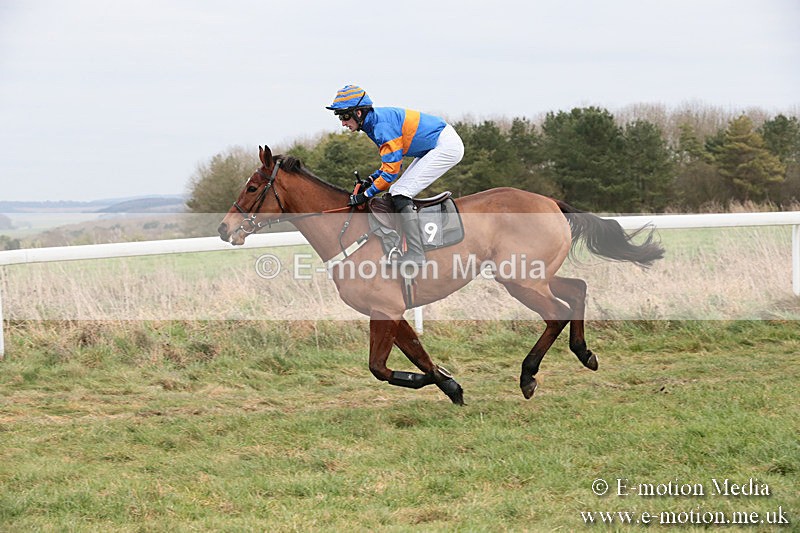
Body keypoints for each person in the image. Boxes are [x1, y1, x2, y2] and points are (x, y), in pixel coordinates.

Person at [326, 84, 464, 267]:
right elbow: (389, 163)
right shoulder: (372, 124)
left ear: (358, 112)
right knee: (397, 191)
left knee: (400, 192)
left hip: (444, 146)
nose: (343, 122)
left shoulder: (381, 127)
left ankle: (416, 254)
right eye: (339, 117)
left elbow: (391, 172)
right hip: (432, 146)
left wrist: (365, 195)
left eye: (344, 116)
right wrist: (371, 180)